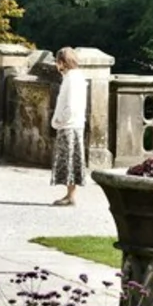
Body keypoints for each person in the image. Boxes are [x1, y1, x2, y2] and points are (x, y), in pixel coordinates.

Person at [50, 47, 87, 206]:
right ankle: (70, 194)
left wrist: (59, 120)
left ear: (63, 62)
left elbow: (70, 106)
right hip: (74, 124)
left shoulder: (71, 79)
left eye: (58, 61)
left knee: (69, 161)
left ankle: (71, 196)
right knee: (71, 160)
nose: (56, 65)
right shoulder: (76, 77)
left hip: (69, 125)